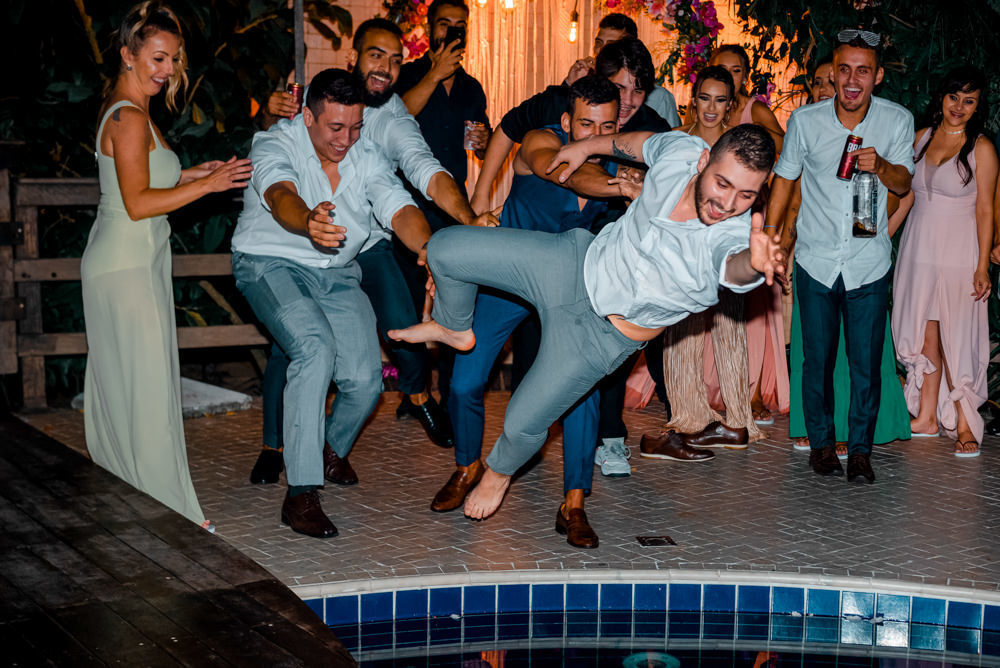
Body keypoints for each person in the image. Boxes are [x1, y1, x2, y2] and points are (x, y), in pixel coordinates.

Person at [389, 125, 782, 520]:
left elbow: (733, 266)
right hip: (573, 263)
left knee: (522, 422)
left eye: (746, 195)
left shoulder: (732, 235)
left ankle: (499, 472)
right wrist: (584, 148)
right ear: (702, 161)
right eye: (722, 184)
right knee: (446, 247)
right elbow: (636, 143)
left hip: (601, 336)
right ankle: (454, 326)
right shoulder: (681, 150)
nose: (728, 203)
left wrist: (754, 264)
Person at [247, 19, 500, 486]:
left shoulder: (395, 120)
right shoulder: (309, 106)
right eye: (375, 55)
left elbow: (423, 176)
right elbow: (272, 162)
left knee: (401, 321)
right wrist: (268, 114)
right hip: (298, 244)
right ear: (354, 57)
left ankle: (413, 400)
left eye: (396, 59)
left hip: (365, 240)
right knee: (300, 343)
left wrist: (459, 226)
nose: (385, 67)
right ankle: (275, 447)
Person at [432, 75, 640, 549]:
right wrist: (623, 186)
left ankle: (573, 502)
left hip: (571, 287)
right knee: (465, 378)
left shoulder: (625, 163)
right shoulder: (540, 143)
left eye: (606, 125)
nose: (594, 135)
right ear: (567, 121)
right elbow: (562, 171)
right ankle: (467, 467)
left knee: (581, 388)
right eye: (585, 123)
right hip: (513, 278)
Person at [231, 68, 432, 538]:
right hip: (270, 262)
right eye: (335, 128)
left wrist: (430, 252)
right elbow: (280, 192)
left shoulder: (366, 156)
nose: (347, 139)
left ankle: (325, 449)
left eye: (356, 126)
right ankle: (301, 493)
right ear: (307, 117)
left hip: (337, 272)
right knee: (313, 347)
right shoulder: (275, 143)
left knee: (367, 381)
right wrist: (308, 221)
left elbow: (399, 207)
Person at [81, 1, 252, 530]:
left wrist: (193, 173)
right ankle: (168, 510)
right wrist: (208, 185)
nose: (168, 70)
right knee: (148, 389)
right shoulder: (129, 117)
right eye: (158, 57)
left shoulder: (130, 110)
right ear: (129, 54)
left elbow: (142, 183)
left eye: (174, 60)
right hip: (125, 265)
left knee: (133, 385)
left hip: (130, 262)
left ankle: (134, 498)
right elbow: (136, 202)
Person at [765, 29, 915, 484]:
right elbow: (785, 180)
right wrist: (772, 237)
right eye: (844, 70)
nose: (852, 80)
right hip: (815, 259)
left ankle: (863, 452)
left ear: (878, 76)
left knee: (867, 364)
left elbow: (905, 183)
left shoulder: (896, 120)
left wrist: (881, 166)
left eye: (863, 71)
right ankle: (823, 446)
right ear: (833, 72)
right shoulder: (805, 121)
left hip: (868, 261)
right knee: (816, 360)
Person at [644, 66, 763, 452]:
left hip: (727, 249)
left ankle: (738, 421)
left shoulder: (738, 146)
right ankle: (690, 418)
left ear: (731, 105)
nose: (711, 107)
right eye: (705, 98)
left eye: (721, 99)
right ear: (693, 99)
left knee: (731, 333)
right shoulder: (675, 142)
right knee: (682, 335)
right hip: (683, 254)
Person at [891, 66, 997, 457]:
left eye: (969, 101)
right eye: (955, 97)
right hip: (918, 248)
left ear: (977, 106)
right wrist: (882, 236)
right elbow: (906, 196)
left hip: (959, 252)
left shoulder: (981, 147)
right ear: (942, 97)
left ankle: (966, 422)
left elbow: (986, 209)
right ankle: (926, 418)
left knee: (957, 337)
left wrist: (983, 264)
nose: (960, 107)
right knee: (925, 332)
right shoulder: (920, 138)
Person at [395, 0, 492, 408]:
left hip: (454, 207)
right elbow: (395, 116)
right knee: (409, 297)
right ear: (429, 28)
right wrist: (434, 75)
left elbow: (481, 146)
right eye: (444, 24)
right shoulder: (410, 74)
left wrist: (484, 144)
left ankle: (451, 389)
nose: (452, 31)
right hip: (407, 206)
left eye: (459, 25)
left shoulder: (472, 88)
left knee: (453, 297)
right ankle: (413, 390)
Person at [470, 36, 673, 215]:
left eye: (638, 91)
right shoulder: (559, 103)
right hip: (540, 213)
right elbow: (509, 127)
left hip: (603, 227)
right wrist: (481, 193)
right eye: (619, 88)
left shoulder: (650, 125)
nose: (628, 101)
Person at [564, 13, 680, 128]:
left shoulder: (656, 107)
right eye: (598, 43)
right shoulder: (580, 90)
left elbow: (670, 139)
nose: (600, 50)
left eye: (610, 46)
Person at [707, 45, 784, 152]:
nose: (728, 75)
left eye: (736, 70)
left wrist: (760, 132)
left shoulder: (756, 110)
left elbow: (789, 150)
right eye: (722, 69)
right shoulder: (698, 107)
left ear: (745, 77)